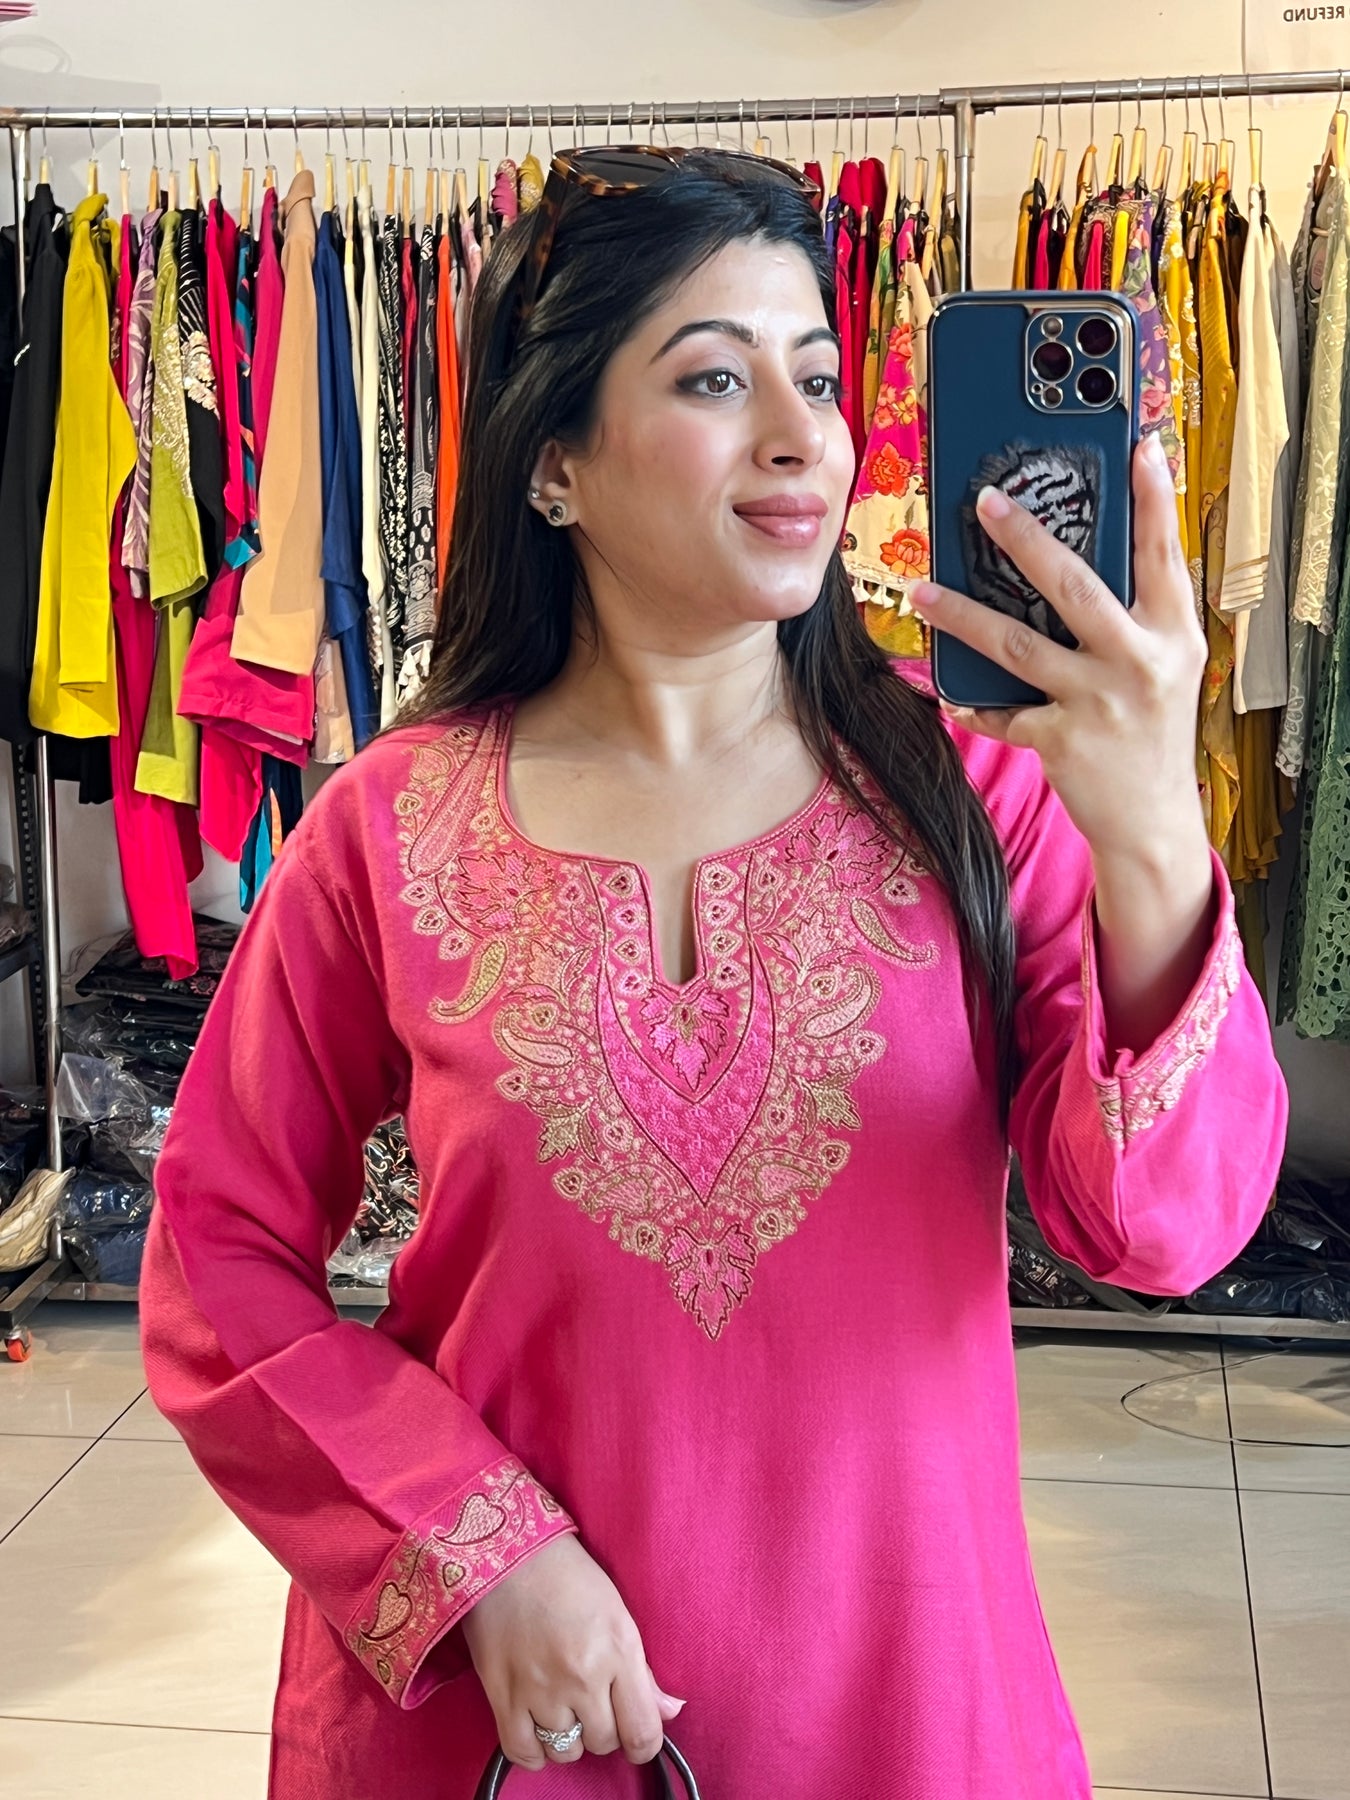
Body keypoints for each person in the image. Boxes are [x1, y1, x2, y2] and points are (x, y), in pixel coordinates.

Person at [141, 147, 1287, 1800]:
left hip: (894, 1690)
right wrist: (474, 1552)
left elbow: (1160, 1236)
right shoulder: (387, 830)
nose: (800, 437)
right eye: (711, 379)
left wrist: (1156, 831)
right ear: (552, 463)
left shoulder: (977, 799)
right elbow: (217, 1259)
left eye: (814, 378)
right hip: (512, 1703)